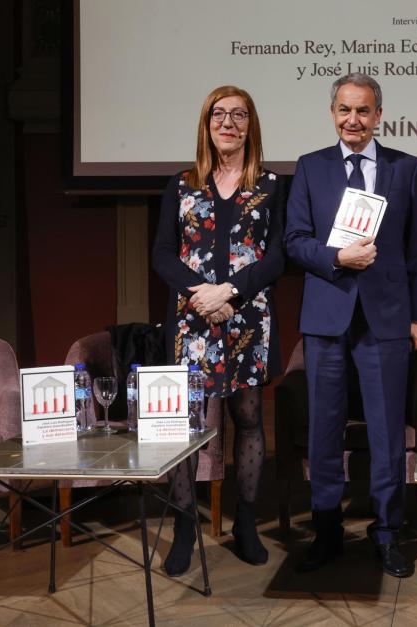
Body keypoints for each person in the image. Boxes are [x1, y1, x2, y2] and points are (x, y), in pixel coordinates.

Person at [284, 73, 417, 578]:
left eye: (363, 111)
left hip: (386, 317)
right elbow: (294, 241)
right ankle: (326, 531)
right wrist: (336, 256)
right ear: (332, 114)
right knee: (324, 429)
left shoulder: (404, 167)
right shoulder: (310, 168)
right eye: (345, 110)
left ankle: (388, 533)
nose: (354, 120)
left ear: (379, 115)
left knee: (389, 430)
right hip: (327, 314)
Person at [152, 85, 286, 576]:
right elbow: (162, 253)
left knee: (248, 420)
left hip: (247, 316)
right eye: (219, 115)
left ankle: (245, 524)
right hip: (193, 321)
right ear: (206, 124)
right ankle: (186, 529)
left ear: (252, 126)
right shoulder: (183, 184)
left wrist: (229, 291)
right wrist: (201, 293)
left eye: (239, 115)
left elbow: (277, 256)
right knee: (187, 427)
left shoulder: (271, 185)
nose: (228, 123)